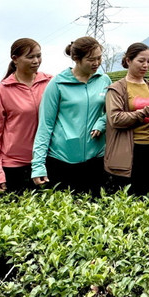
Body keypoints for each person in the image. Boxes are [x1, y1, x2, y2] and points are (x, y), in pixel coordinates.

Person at [31, 37, 110, 194]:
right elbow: (45, 125)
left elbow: (113, 112)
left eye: (99, 58)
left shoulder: (104, 80)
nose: (97, 63)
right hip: (62, 159)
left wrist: (101, 122)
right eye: (91, 59)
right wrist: (38, 165)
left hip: (96, 158)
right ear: (76, 59)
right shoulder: (57, 84)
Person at [0, 38, 52, 192]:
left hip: (47, 160)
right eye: (30, 57)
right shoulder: (2, 91)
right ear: (15, 59)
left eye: (38, 56)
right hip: (15, 166)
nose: (36, 61)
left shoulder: (50, 82)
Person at [104, 43, 149, 196]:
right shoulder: (116, 89)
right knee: (132, 196)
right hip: (130, 151)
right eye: (141, 61)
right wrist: (147, 111)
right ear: (128, 61)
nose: (146, 65)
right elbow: (116, 119)